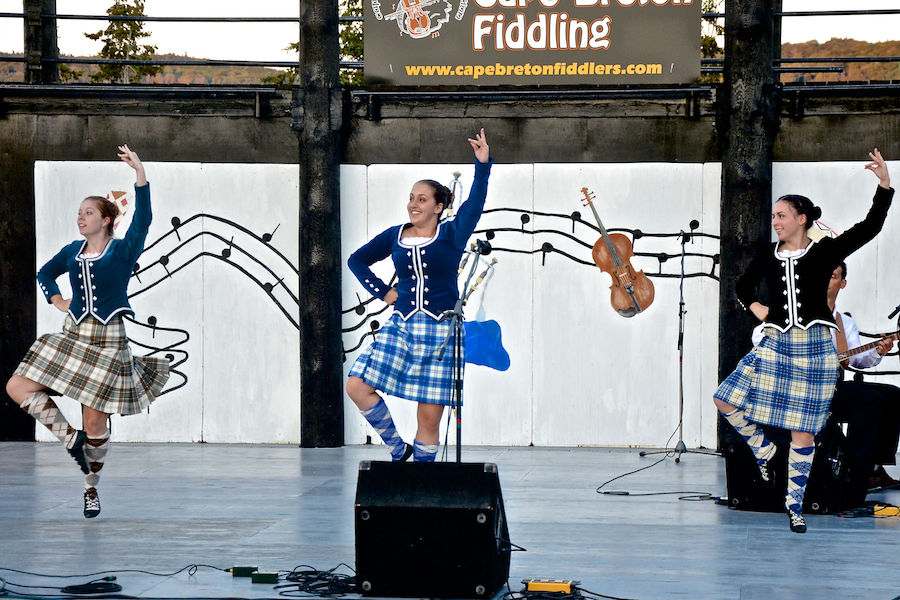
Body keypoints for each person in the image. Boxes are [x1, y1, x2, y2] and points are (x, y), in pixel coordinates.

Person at [714, 148, 893, 534]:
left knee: (804, 432)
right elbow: (742, 286)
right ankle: (763, 450)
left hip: (815, 348)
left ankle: (794, 505)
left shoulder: (825, 252)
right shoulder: (766, 255)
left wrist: (883, 185)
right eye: (774, 216)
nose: (775, 221)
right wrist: (757, 308)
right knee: (724, 397)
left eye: (781, 215)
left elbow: (870, 227)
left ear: (802, 219)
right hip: (776, 344)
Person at [5, 145, 170, 519]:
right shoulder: (70, 251)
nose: (81, 217)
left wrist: (140, 175)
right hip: (73, 334)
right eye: (79, 212)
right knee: (17, 386)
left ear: (107, 220)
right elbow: (44, 274)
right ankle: (70, 439)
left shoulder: (122, 251)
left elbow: (143, 220)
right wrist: (57, 299)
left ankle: (91, 486)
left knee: (95, 423)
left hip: (109, 338)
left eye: (89, 212)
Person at [346, 128, 492, 463]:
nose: (413, 204)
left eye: (422, 199)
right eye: (412, 198)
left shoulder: (453, 234)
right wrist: (384, 292)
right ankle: (399, 450)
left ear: (439, 207)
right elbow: (357, 260)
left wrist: (482, 165)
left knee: (429, 417)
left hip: (442, 330)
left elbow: (475, 203)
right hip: (402, 326)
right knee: (356, 385)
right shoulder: (395, 236)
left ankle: (420, 480)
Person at [820, 262, 900, 491]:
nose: (827, 280)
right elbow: (759, 336)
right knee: (869, 399)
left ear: (842, 284)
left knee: (893, 396)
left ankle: (874, 466)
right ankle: (855, 470)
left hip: (832, 388)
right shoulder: (795, 315)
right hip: (803, 389)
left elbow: (855, 360)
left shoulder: (844, 323)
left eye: (833, 276)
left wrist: (878, 351)